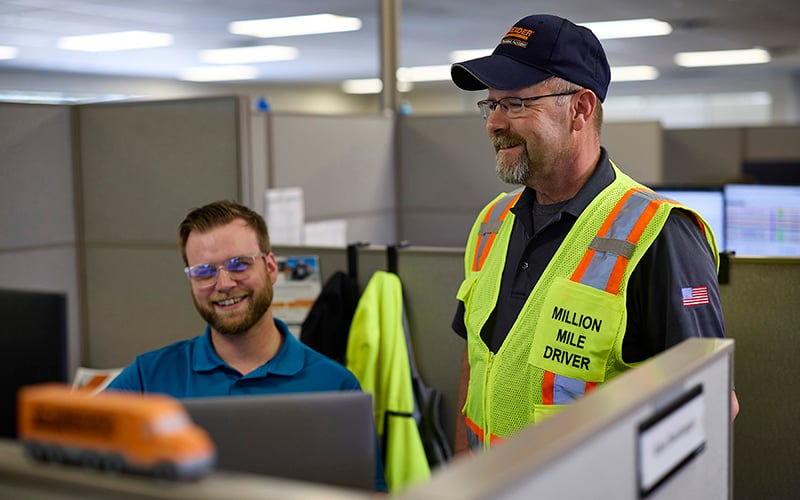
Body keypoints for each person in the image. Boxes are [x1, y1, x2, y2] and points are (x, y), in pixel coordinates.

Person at [449, 14, 739, 453]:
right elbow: (478, 364)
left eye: (516, 104)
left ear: (580, 109)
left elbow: (711, 402)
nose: (494, 122)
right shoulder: (492, 223)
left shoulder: (658, 235)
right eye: (492, 105)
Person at [107, 200, 387, 492]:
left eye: (238, 264)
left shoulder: (336, 386)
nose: (224, 283)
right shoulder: (147, 377)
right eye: (204, 272)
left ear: (270, 267)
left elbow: (370, 495)